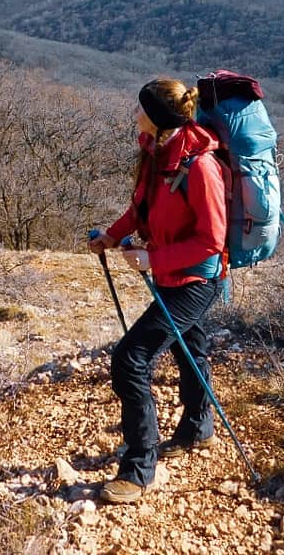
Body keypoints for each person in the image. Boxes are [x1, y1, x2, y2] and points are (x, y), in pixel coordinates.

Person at [88, 77, 228, 504]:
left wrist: (153, 261)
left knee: (130, 359)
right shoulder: (159, 152)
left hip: (197, 279)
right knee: (191, 347)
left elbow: (212, 239)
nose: (135, 114)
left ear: (158, 117)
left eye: (141, 109)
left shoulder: (200, 166)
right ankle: (198, 428)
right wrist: (113, 236)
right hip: (173, 275)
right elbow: (142, 208)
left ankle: (139, 469)